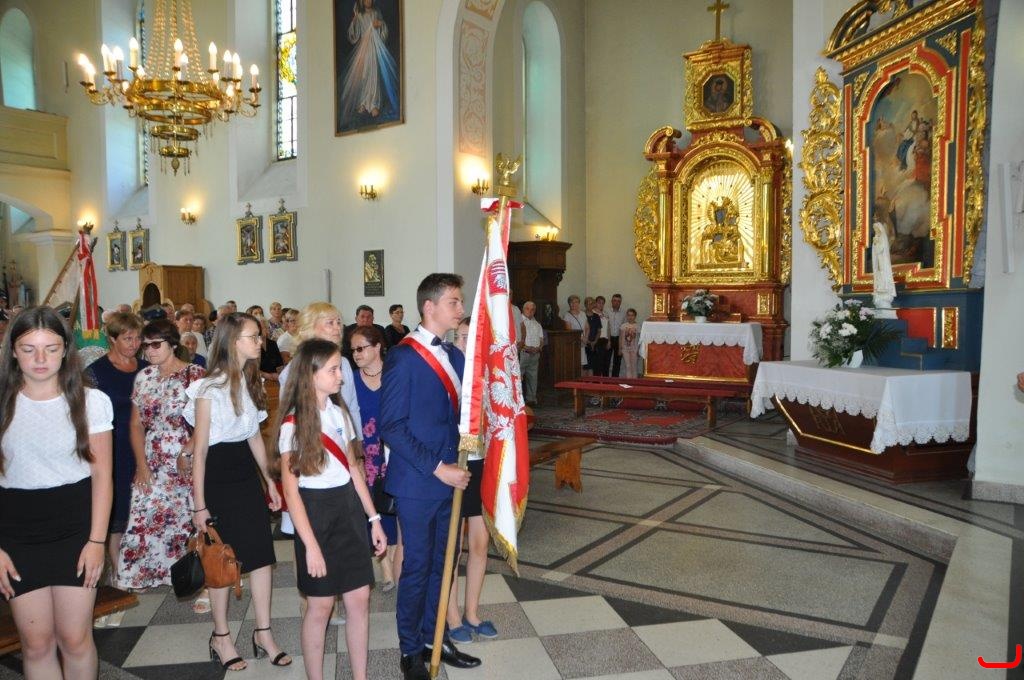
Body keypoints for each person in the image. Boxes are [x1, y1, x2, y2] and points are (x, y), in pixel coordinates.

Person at [0, 306, 114, 678]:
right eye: (28, 349)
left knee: (75, 638)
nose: (40, 359)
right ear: (13, 351)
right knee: (36, 643)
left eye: (50, 348)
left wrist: (97, 541)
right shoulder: (2, 402)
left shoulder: (90, 401)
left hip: (76, 526)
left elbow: (103, 476)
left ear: (65, 350)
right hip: (15, 531)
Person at [380, 273, 481, 679]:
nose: (461, 309)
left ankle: (434, 638)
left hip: (452, 479)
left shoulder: (454, 356)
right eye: (454, 302)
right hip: (420, 482)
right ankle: (410, 650)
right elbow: (392, 426)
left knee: (444, 564)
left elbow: (461, 416)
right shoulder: (404, 357)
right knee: (418, 566)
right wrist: (440, 468)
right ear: (430, 307)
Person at [273, 339, 386, 680]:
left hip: (348, 509)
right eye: (334, 369)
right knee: (320, 605)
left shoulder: (339, 414)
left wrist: (374, 519)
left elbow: (354, 470)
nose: (341, 376)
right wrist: (310, 546)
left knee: (359, 599)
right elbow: (292, 493)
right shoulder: (293, 426)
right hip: (315, 513)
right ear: (311, 375)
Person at [184, 312, 291, 671]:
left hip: (245, 477)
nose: (260, 342)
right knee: (220, 560)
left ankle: (264, 633)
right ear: (233, 342)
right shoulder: (208, 388)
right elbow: (200, 451)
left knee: (261, 556)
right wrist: (199, 505)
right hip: (217, 477)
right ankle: (221, 636)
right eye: (253, 336)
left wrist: (269, 480)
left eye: (259, 336)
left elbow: (252, 436)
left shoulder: (248, 379)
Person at [118, 319, 205, 591]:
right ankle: (145, 575)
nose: (149, 350)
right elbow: (136, 424)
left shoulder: (196, 375)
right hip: (153, 453)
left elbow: (206, 422)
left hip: (186, 451)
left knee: (188, 517)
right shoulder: (144, 377)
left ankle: (197, 577)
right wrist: (141, 464)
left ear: (173, 344)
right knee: (144, 513)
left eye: (156, 344)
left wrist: (187, 451)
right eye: (145, 346)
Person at [88, 311, 147, 609]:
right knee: (117, 512)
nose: (134, 344)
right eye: (127, 338)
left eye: (137, 338)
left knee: (140, 508)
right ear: (112, 339)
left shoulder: (146, 369)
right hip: (111, 446)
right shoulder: (96, 372)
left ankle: (139, 565)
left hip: (143, 445)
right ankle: (119, 572)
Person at [349, 325, 401, 592]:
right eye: (353, 350)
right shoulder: (349, 380)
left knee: (392, 505)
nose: (356, 354)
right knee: (372, 506)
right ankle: (385, 566)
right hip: (365, 455)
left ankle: (394, 559)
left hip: (393, 450)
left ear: (378, 346)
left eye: (361, 348)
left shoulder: (394, 375)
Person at [340, 0, 400, 124]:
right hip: (363, 50)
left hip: (374, 48)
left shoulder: (376, 13)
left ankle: (374, 103)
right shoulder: (360, 16)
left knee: (374, 75)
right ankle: (363, 102)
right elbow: (353, 34)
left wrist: (380, 24)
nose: (369, 1)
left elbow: (383, 30)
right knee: (364, 75)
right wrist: (354, 21)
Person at [519, 301, 544, 406]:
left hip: (535, 354)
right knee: (518, 377)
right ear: (523, 309)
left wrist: (538, 348)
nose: (530, 311)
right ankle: (518, 400)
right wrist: (526, 347)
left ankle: (531, 399)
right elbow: (517, 339)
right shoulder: (519, 321)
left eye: (533, 309)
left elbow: (541, 339)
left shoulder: (537, 324)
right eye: (527, 309)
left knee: (533, 377)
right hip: (523, 353)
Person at [561, 295, 590, 375]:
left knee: (581, 364)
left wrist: (586, 338)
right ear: (569, 304)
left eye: (576, 302)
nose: (574, 304)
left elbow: (587, 327)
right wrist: (581, 339)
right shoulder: (567, 315)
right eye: (572, 302)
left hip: (583, 343)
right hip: (574, 343)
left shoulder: (583, 313)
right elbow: (569, 330)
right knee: (574, 364)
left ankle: (580, 381)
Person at [607, 294, 626, 377]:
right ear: (611, 301)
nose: (616, 302)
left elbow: (625, 327)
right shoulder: (606, 311)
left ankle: (615, 379)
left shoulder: (624, 313)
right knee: (606, 360)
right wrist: (608, 340)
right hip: (608, 338)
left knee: (617, 361)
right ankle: (606, 380)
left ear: (620, 302)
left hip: (619, 338)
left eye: (618, 301)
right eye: (614, 300)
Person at [619, 308, 641, 379]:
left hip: (634, 349)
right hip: (625, 349)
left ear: (635, 316)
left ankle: (634, 382)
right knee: (628, 366)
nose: (630, 317)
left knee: (634, 366)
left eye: (632, 315)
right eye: (628, 315)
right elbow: (620, 338)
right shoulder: (623, 326)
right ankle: (629, 382)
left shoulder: (638, 326)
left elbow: (640, 339)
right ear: (626, 316)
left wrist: (639, 349)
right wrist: (620, 348)